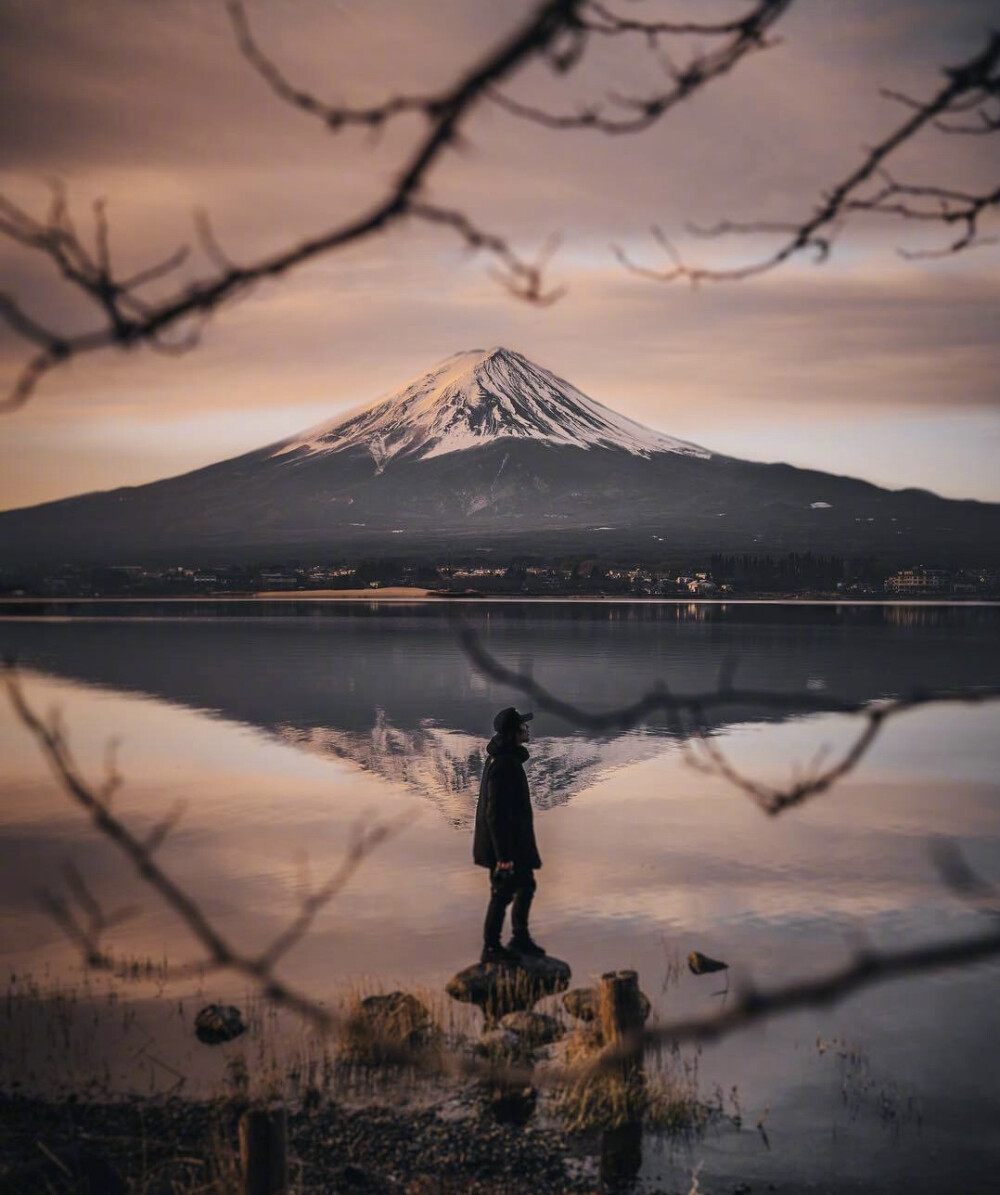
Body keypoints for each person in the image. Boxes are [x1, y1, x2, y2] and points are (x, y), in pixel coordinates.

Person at [473, 706, 545, 964]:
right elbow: (495, 814)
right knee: (503, 892)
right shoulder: (504, 764)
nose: (527, 729)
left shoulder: (506, 758)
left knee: (525, 886)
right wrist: (503, 857)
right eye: (523, 726)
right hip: (505, 845)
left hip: (513, 842)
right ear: (514, 732)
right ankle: (491, 948)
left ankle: (519, 938)